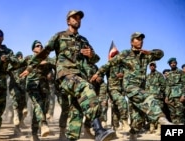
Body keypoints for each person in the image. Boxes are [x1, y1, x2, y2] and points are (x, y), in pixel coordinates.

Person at [20, 10, 115, 141]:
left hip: (79, 76)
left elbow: (95, 59)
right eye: (74, 17)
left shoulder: (83, 40)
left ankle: (71, 138)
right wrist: (30, 67)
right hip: (65, 75)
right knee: (87, 89)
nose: (77, 20)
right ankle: (99, 130)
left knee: (76, 109)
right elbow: (45, 52)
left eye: (79, 18)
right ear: (68, 21)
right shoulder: (59, 36)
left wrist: (91, 55)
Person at [90, 32, 173, 140]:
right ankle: (162, 119)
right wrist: (98, 73)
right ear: (131, 42)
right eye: (137, 39)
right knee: (148, 98)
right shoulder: (125, 54)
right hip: (130, 86)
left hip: (140, 87)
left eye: (141, 39)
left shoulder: (145, 55)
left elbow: (161, 54)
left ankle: (132, 134)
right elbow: (109, 64)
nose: (140, 41)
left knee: (137, 118)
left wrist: (150, 52)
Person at [24, 40, 55, 141]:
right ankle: (43, 124)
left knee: (41, 109)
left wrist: (50, 71)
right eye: (37, 46)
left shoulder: (48, 59)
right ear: (33, 49)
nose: (40, 47)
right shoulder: (29, 58)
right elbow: (17, 66)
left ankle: (34, 133)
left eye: (41, 46)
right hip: (32, 85)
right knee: (38, 104)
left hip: (44, 86)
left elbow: (56, 63)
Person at [7, 51, 28, 134]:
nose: (20, 57)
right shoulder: (11, 65)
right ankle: (14, 114)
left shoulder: (24, 65)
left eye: (21, 56)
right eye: (18, 56)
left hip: (23, 87)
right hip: (14, 86)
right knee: (15, 99)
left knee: (21, 107)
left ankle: (17, 127)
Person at [145, 61, 166, 135]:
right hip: (150, 97)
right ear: (149, 67)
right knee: (151, 113)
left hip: (158, 97)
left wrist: (159, 92)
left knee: (159, 112)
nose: (152, 66)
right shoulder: (147, 76)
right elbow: (146, 87)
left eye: (153, 65)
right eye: (150, 65)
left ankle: (160, 128)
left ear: (155, 66)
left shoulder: (159, 75)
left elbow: (163, 86)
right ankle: (152, 127)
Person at [165, 58, 185, 125]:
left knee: (180, 113)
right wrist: (166, 97)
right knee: (172, 114)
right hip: (171, 97)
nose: (173, 64)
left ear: (176, 63)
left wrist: (184, 95)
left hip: (179, 96)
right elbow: (167, 86)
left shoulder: (181, 72)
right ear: (169, 65)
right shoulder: (169, 74)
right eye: (171, 63)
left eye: (174, 63)